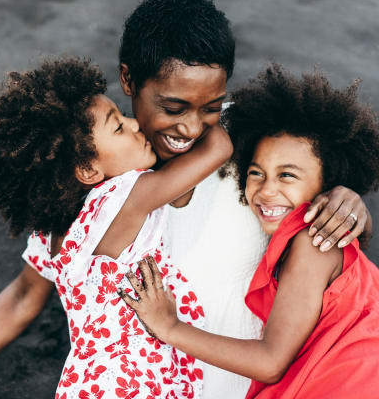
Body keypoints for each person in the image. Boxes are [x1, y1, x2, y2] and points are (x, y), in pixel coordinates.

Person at [0, 0, 373, 398]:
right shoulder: (78, 197)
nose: (189, 127)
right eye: (173, 107)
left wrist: (350, 201)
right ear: (128, 80)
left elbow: (319, 233)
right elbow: (24, 295)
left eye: (211, 107)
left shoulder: (256, 147)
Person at [120, 64, 379, 398]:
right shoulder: (302, 242)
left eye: (287, 176)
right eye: (257, 173)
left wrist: (169, 327)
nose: (267, 190)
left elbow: (270, 363)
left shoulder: (313, 242)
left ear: (328, 184)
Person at [0, 57, 233, 398]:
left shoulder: (52, 231)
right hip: (138, 381)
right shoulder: (125, 199)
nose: (135, 125)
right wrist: (202, 105)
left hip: (91, 382)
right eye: (118, 127)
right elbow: (219, 147)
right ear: (87, 170)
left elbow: (23, 298)